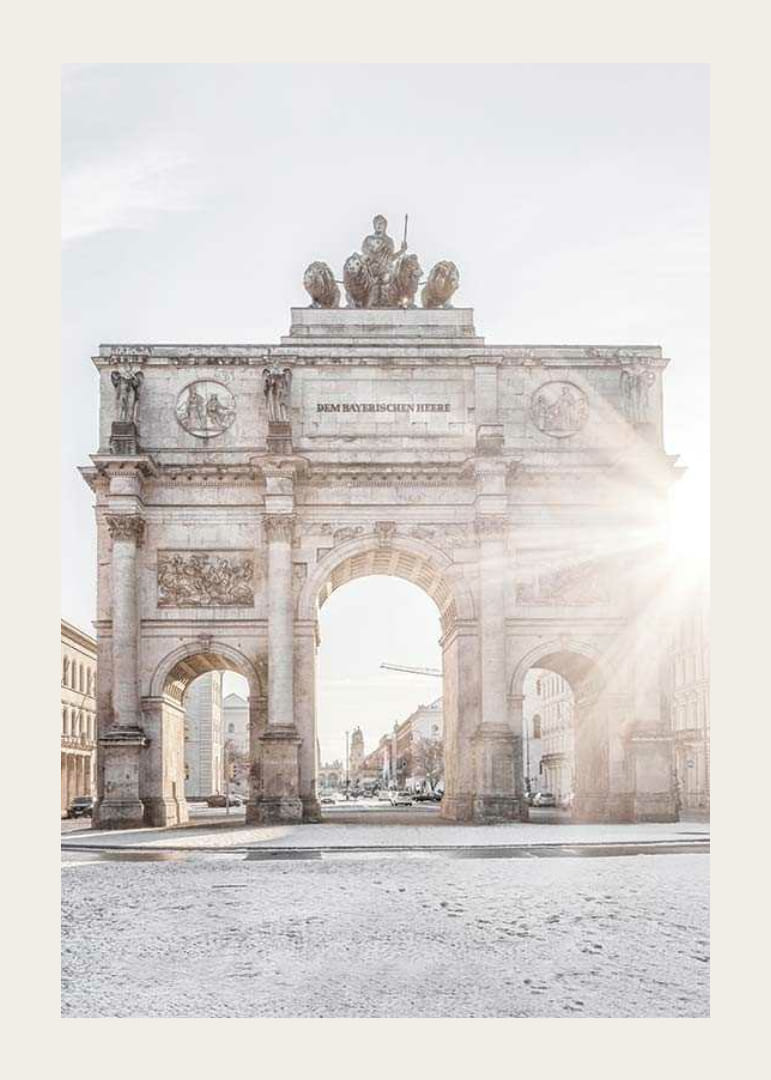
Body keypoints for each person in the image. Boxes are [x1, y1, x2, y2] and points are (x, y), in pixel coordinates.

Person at [361, 214, 407, 306]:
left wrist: (402, 251)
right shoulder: (368, 240)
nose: (379, 226)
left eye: (381, 224)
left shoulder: (389, 241)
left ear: (385, 226)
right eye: (377, 223)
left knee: (388, 281)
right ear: (374, 225)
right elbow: (364, 255)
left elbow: (390, 258)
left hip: (385, 270)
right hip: (371, 270)